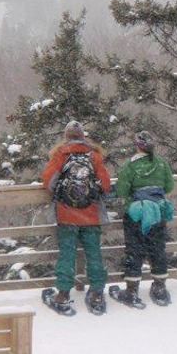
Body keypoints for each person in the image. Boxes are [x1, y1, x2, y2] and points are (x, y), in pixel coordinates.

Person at [41, 120, 111, 313]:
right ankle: (97, 291)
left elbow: (48, 181)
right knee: (94, 253)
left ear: (66, 137)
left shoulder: (61, 155)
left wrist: (65, 196)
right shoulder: (94, 156)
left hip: (67, 215)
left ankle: (63, 293)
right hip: (91, 215)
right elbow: (105, 185)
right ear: (83, 136)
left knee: (67, 254)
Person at [114, 130, 175, 306]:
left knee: (135, 250)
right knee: (158, 249)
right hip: (158, 211)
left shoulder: (130, 166)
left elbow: (122, 190)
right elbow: (169, 186)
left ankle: (132, 290)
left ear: (137, 146)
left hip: (138, 212)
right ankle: (159, 287)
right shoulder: (162, 164)